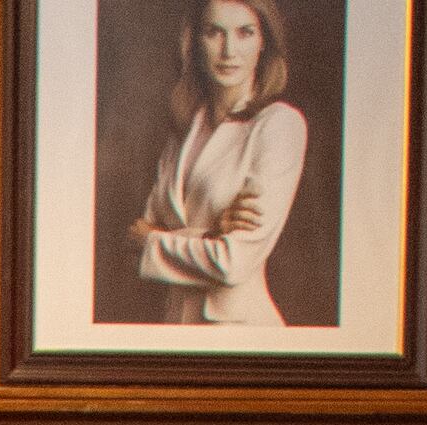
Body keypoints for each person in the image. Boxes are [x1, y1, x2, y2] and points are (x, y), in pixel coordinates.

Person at [130, 0, 309, 327]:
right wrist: (212, 232)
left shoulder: (279, 125)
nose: (229, 50)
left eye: (245, 33)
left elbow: (233, 262)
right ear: (194, 41)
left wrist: (152, 241)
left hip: (240, 335)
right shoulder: (182, 132)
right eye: (214, 32)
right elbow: (132, 243)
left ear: (263, 42)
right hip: (173, 331)